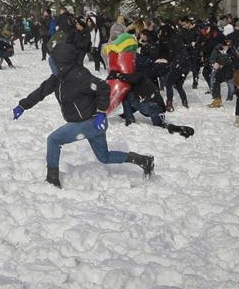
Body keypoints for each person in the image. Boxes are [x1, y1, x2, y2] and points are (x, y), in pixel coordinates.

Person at [11, 43, 155, 188]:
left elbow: (102, 87)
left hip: (91, 121)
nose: (51, 63)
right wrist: (23, 105)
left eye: (53, 60)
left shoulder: (80, 76)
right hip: (91, 123)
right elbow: (40, 92)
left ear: (61, 62)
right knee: (104, 157)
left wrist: (101, 111)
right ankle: (143, 160)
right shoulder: (57, 78)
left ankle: (52, 179)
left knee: (53, 140)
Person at [114, 70, 194, 137]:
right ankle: (175, 129)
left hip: (150, 105)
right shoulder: (145, 81)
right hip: (158, 108)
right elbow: (135, 105)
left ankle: (130, 121)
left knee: (126, 96)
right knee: (160, 125)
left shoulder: (139, 76)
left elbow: (131, 79)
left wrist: (118, 75)